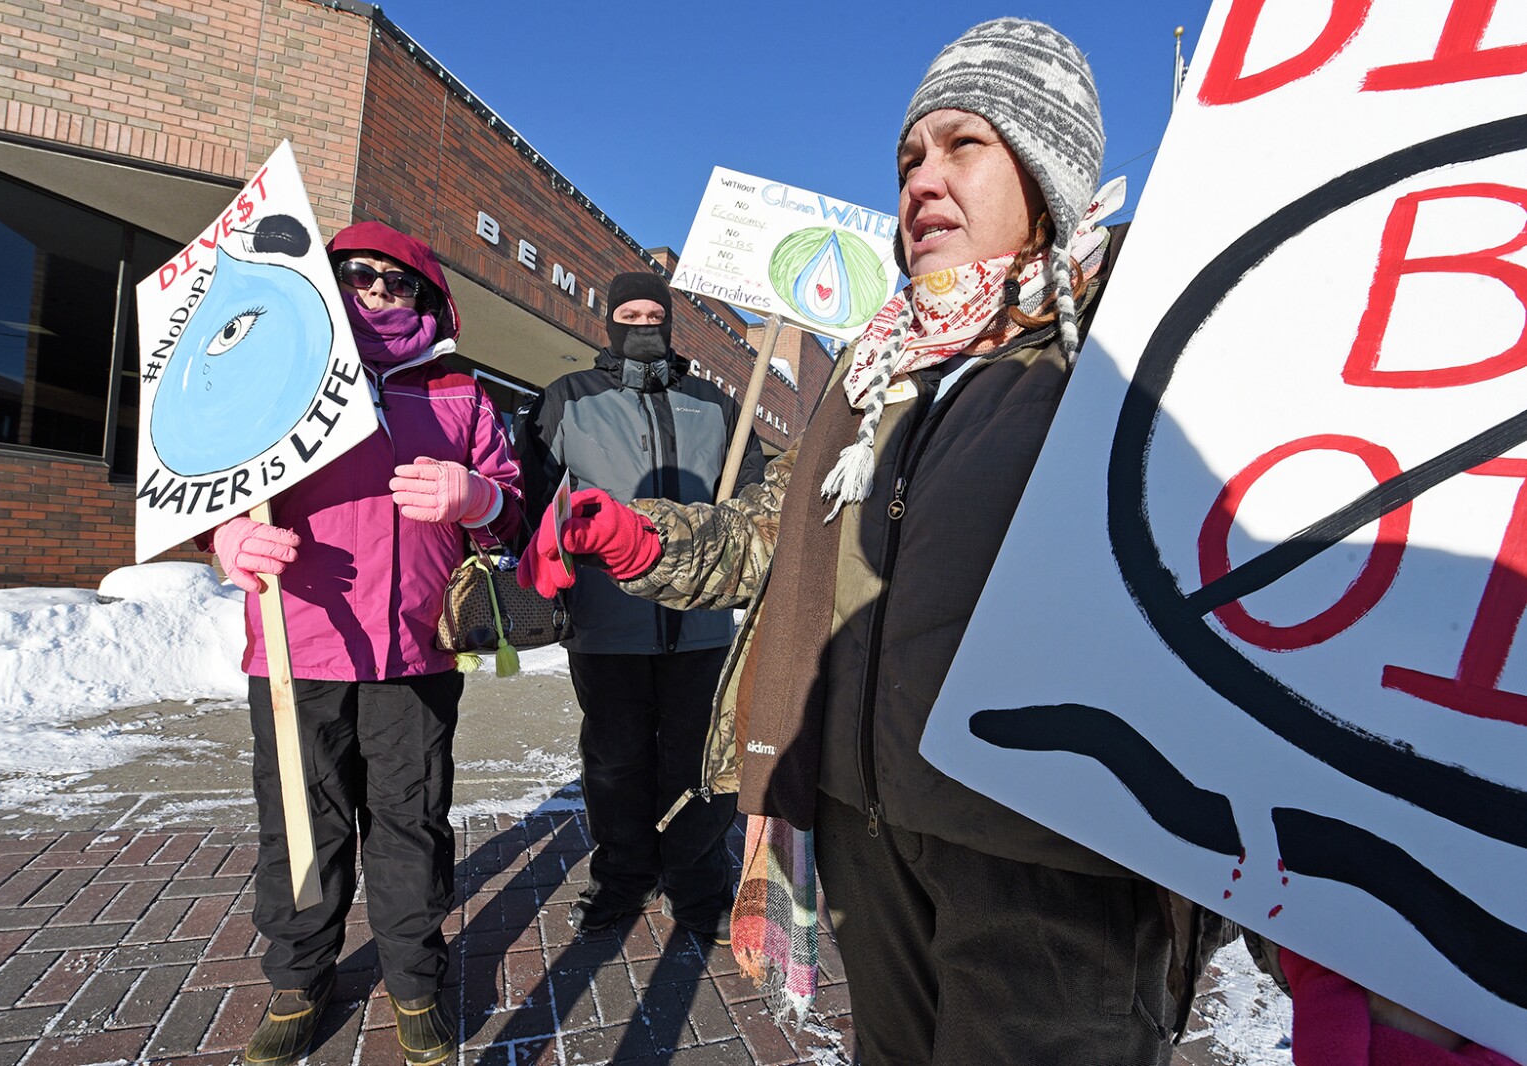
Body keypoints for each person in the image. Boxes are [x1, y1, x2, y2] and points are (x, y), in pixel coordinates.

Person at [518, 19, 1525, 1066]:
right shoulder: (871, 376)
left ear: (1043, 173)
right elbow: (759, 545)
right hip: (862, 828)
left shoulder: (1129, 351)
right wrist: (639, 536)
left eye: (963, 145)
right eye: (909, 155)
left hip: (1057, 871)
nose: (921, 179)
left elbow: (1278, 589)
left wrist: (1342, 933)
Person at [207, 220, 522, 1066]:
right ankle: (298, 979)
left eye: (398, 282)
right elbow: (206, 471)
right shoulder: (280, 367)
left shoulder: (461, 393)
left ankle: (415, 980)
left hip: (416, 652)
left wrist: (480, 498)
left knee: (410, 821)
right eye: (359, 275)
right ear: (329, 279)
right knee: (301, 825)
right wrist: (225, 535)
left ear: (428, 299)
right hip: (295, 640)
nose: (379, 293)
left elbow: (512, 507)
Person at [513, 271, 765, 942]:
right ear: (609, 321)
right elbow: (534, 505)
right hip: (606, 623)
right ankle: (622, 876)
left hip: (703, 622)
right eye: (630, 312)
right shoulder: (568, 400)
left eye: (655, 313)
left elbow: (751, 507)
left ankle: (697, 883)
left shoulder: (715, 404)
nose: (643, 323)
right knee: (616, 760)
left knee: (700, 762)